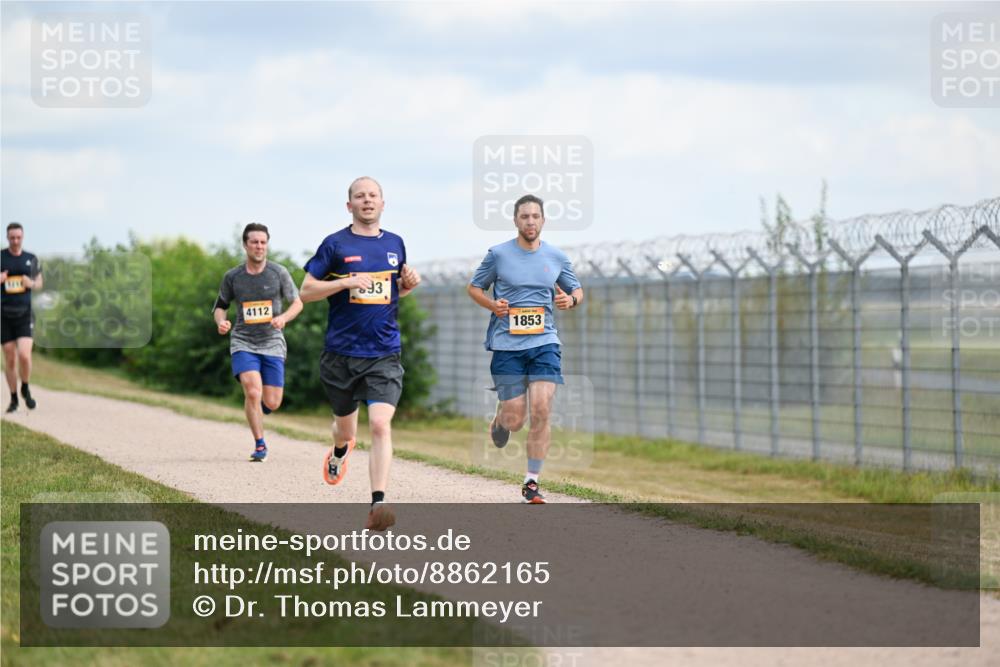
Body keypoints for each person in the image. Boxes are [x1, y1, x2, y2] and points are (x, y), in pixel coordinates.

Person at [300, 176, 420, 531]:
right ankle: (339, 451)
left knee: (380, 424)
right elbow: (306, 291)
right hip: (341, 354)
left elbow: (392, 294)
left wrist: (407, 286)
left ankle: (378, 503)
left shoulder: (396, 243)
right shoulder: (335, 244)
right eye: (359, 196)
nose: (367, 201)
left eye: (373, 196)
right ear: (349, 205)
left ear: (383, 203)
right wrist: (344, 282)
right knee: (347, 432)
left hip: (384, 352)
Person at [467, 194, 584, 504]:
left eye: (535, 216)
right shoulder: (498, 255)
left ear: (543, 220)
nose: (530, 221)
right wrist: (493, 305)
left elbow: (577, 290)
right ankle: (500, 419)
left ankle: (531, 481)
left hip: (545, 341)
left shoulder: (557, 257)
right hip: (507, 345)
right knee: (516, 419)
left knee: (543, 408)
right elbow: (474, 287)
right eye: (524, 217)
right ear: (516, 221)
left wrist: (569, 300)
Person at [213, 223, 303, 461]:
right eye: (254, 242)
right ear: (245, 245)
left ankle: (256, 411)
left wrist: (283, 318)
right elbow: (220, 307)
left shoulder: (278, 273)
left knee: (272, 402)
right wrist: (221, 322)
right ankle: (260, 444)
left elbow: (298, 303)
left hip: (272, 341)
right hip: (243, 340)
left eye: (263, 242)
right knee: (253, 391)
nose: (259, 246)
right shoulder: (233, 277)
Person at [2, 222, 43, 413]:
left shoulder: (31, 258)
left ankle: (25, 386)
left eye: (18, 237)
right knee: (10, 360)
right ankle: (13, 399)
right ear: (7, 238)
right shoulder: (1, 257)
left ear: (23, 237)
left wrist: (31, 283)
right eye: (12, 238)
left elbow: (39, 283)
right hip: (4, 315)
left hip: (25, 315)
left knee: (25, 355)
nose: (15, 241)